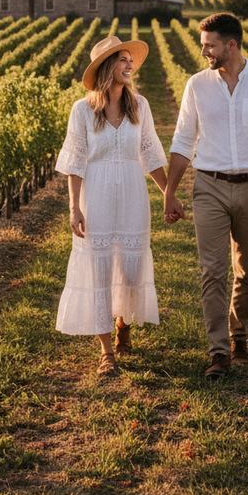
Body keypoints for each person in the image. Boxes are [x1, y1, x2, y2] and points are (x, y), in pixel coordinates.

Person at [164, 12, 248, 379]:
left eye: (209, 45)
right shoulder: (197, 86)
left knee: (247, 271)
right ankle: (218, 351)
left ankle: (240, 335)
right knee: (213, 270)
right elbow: (183, 141)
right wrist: (170, 191)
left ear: (231, 45)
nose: (204, 51)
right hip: (209, 186)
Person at [55, 34, 168, 377]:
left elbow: (149, 153)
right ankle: (107, 352)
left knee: (131, 271)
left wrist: (168, 193)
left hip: (133, 195)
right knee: (100, 270)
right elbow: (74, 163)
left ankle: (123, 323)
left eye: (130, 60)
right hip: (98, 196)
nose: (129, 64)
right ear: (106, 67)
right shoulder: (83, 111)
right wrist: (75, 208)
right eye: (122, 59)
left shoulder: (141, 106)